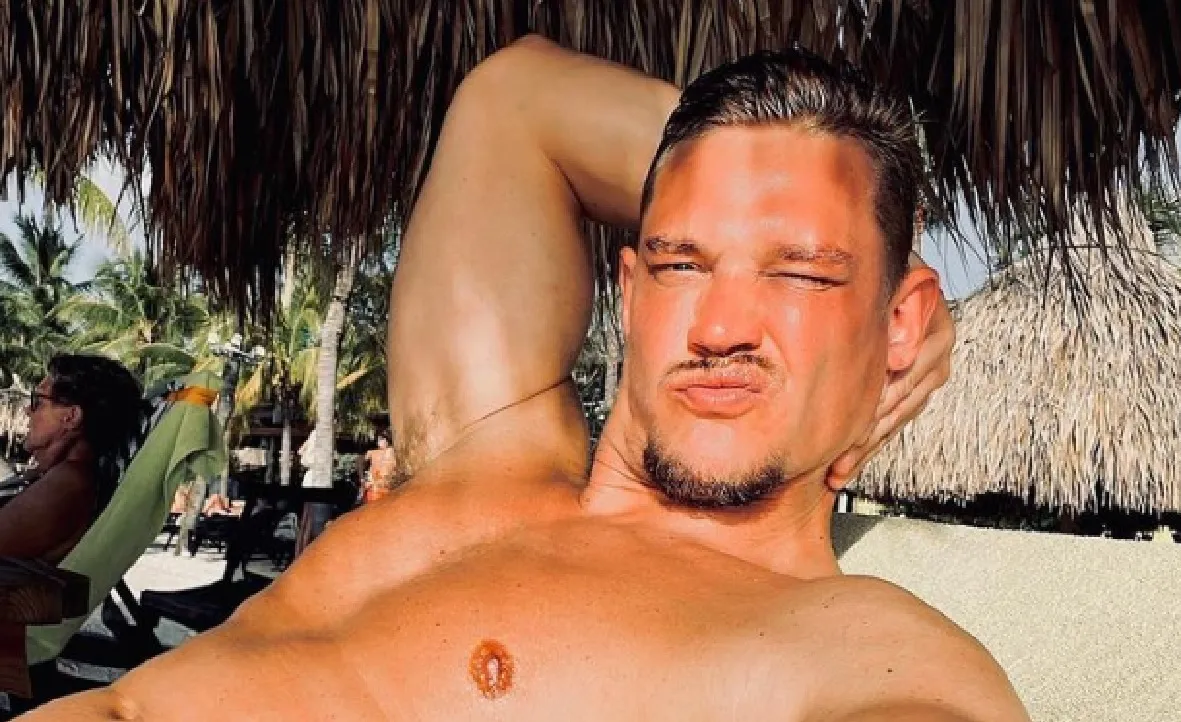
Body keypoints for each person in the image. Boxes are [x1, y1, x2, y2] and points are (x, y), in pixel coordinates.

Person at [22, 37, 1028, 721]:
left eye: (801, 274)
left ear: (903, 321)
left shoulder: (847, 643)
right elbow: (516, 100)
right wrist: (840, 242)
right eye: (682, 262)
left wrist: (868, 266)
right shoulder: (486, 446)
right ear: (629, 289)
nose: (722, 327)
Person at [0, 354, 145, 565]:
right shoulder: (76, 477)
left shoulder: (69, 481)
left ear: (72, 416)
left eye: (38, 401)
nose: (27, 410)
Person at [362, 433, 397, 503]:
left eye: (383, 440)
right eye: (379, 440)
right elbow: (365, 461)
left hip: (385, 482)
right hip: (375, 482)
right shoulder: (373, 453)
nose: (381, 442)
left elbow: (390, 466)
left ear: (387, 441)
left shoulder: (390, 451)